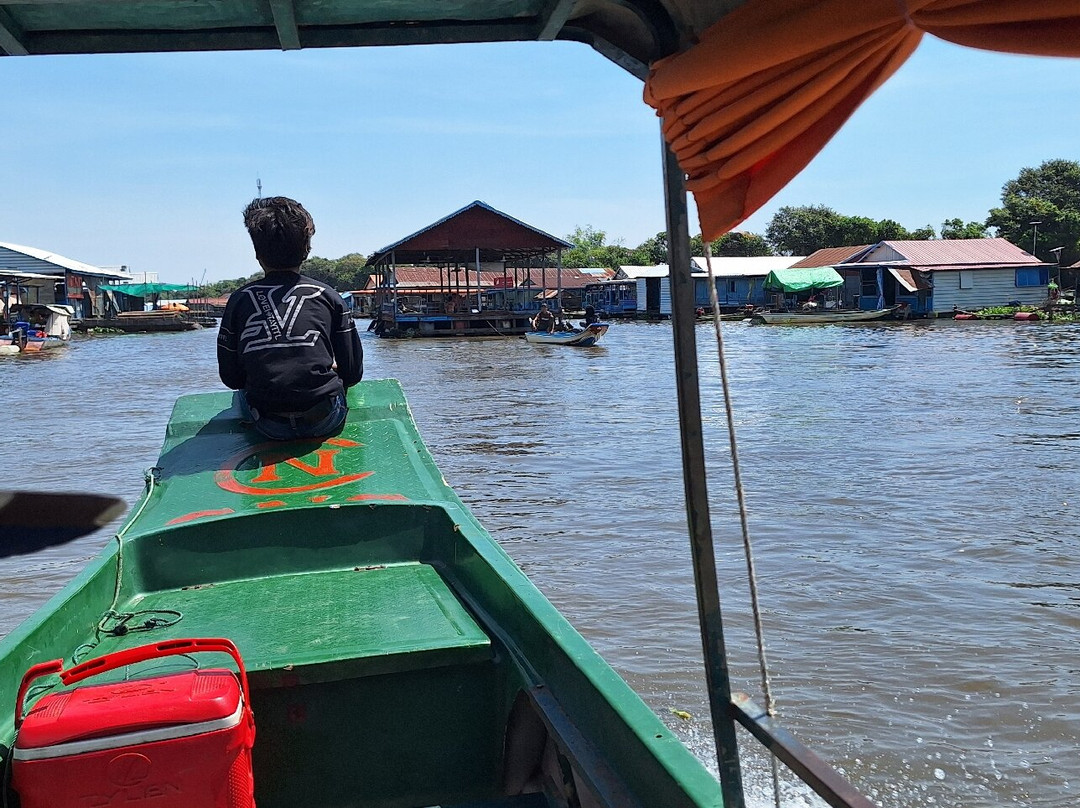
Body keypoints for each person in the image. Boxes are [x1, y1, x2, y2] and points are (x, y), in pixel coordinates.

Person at [217, 196, 363, 441]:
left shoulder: (239, 300)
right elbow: (353, 373)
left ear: (257, 253)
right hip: (324, 418)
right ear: (307, 250)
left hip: (268, 423)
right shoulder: (329, 296)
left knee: (243, 394)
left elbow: (231, 378)